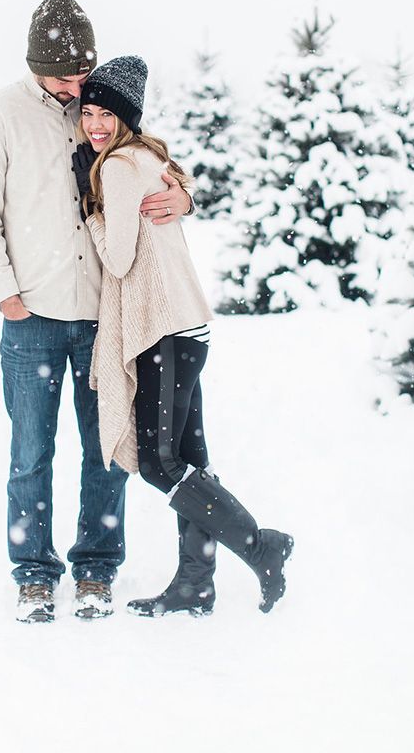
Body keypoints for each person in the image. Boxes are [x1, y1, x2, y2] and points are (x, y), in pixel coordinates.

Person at [0, 0, 193, 623]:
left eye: (82, 77)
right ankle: (34, 572)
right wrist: (6, 295)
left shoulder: (99, 108)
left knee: (106, 447)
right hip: (30, 317)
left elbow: (152, 162)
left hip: (104, 317)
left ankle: (97, 566)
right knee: (31, 451)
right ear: (37, 65)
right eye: (65, 79)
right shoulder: (2, 114)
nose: (76, 91)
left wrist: (183, 193)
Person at [73, 55, 293, 617]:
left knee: (159, 464)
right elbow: (168, 202)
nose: (94, 124)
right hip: (186, 327)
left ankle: (260, 548)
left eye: (105, 114)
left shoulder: (118, 167)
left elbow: (119, 259)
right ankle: (196, 582)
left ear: (125, 119)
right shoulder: (149, 156)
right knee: (189, 458)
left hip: (162, 328)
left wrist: (90, 205)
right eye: (87, 112)